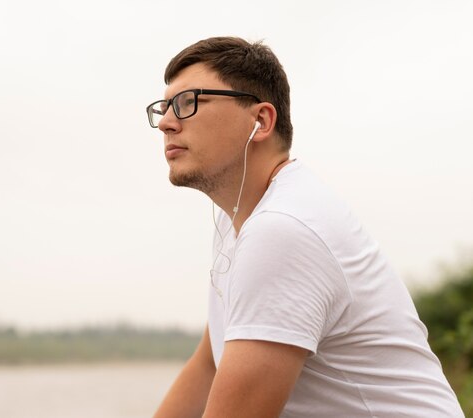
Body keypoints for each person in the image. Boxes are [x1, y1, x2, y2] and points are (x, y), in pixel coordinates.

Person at [145, 36, 464, 418]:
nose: (165, 124)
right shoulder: (242, 220)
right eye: (164, 108)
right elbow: (209, 366)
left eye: (187, 103)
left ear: (260, 121)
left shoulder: (283, 229)